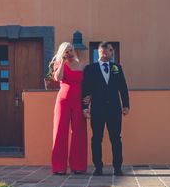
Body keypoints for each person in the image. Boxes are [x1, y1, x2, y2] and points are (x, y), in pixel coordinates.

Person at [82, 42, 130, 176]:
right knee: (97, 138)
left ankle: (117, 167)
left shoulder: (117, 68)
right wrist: (85, 108)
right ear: (102, 52)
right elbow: (86, 89)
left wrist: (126, 105)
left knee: (116, 138)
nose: (112, 52)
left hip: (114, 109)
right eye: (110, 50)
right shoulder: (90, 69)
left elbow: (123, 88)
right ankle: (98, 167)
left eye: (112, 50)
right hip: (97, 109)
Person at [50, 42, 87, 175]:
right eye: (66, 51)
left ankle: (78, 166)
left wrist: (88, 100)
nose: (69, 53)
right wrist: (62, 63)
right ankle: (59, 167)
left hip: (79, 101)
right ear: (62, 53)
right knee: (60, 131)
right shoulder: (59, 65)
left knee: (79, 132)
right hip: (63, 101)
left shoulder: (82, 66)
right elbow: (57, 78)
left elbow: (88, 85)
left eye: (71, 50)